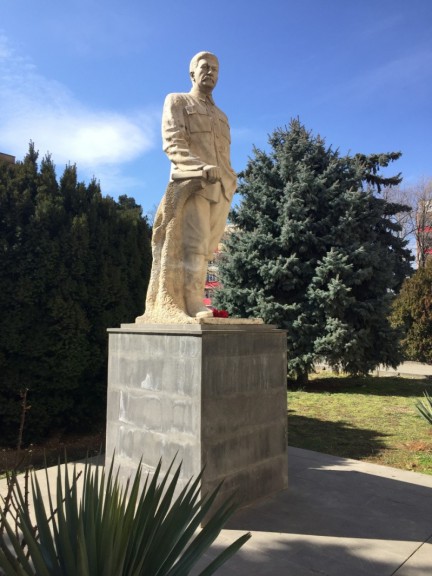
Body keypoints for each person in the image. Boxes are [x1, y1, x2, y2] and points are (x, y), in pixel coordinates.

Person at [137, 51, 236, 323]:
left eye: (215, 69)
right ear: (192, 73)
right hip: (193, 183)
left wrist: (230, 177)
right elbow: (173, 141)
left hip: (222, 188)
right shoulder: (178, 101)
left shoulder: (222, 116)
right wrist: (198, 168)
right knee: (195, 242)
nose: (211, 72)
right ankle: (192, 301)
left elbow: (223, 154)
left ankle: (192, 298)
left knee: (207, 248)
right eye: (205, 67)